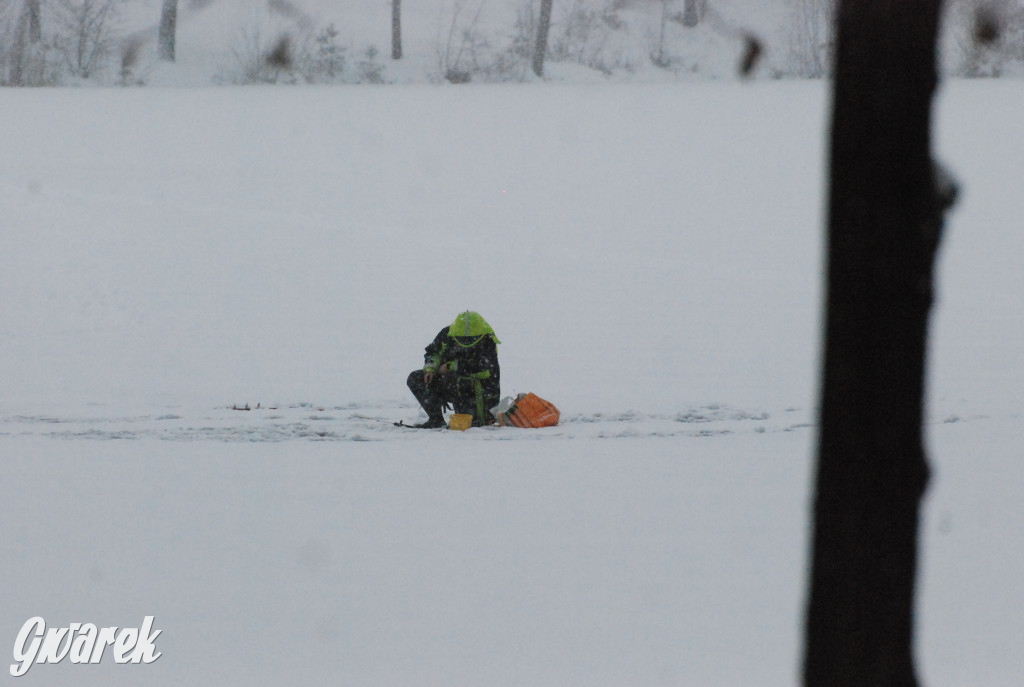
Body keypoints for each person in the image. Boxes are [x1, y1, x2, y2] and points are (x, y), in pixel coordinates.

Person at [406, 311, 501, 428]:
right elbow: (433, 353)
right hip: (450, 384)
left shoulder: (488, 340)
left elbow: (484, 369)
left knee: (473, 425)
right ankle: (435, 420)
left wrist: (452, 366)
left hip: (478, 391)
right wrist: (430, 368)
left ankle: (478, 415)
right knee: (415, 378)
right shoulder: (446, 334)